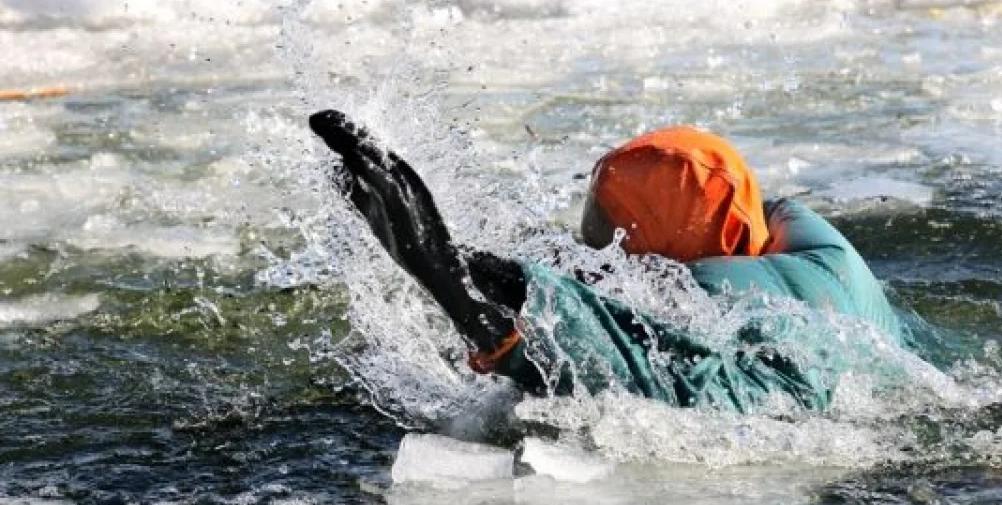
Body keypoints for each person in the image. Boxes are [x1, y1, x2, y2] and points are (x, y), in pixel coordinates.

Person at [309, 110, 927, 415]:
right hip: (907, 395)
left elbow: (627, 354)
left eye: (613, 240)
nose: (597, 255)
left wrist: (445, 271)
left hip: (802, 416)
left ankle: (458, 287)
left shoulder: (709, 300)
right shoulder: (812, 242)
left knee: (626, 371)